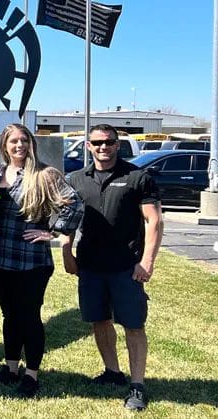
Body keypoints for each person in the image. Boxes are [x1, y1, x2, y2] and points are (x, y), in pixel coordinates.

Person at [63, 123, 162, 411]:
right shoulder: (76, 179)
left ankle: (137, 385)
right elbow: (68, 221)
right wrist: (67, 254)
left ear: (117, 144)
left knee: (133, 325)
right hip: (90, 266)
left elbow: (154, 221)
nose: (103, 147)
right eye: (97, 143)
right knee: (99, 320)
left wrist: (147, 262)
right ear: (88, 146)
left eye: (109, 142)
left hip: (126, 267)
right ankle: (113, 372)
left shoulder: (137, 177)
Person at [0, 124, 84, 397]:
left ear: (31, 143)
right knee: (9, 315)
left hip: (31, 261)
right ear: (4, 145)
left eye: (24, 140)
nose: (19, 146)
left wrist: (51, 231)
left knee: (29, 316)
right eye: (13, 141)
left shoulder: (45, 174)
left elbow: (75, 204)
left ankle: (32, 374)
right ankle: (11, 367)